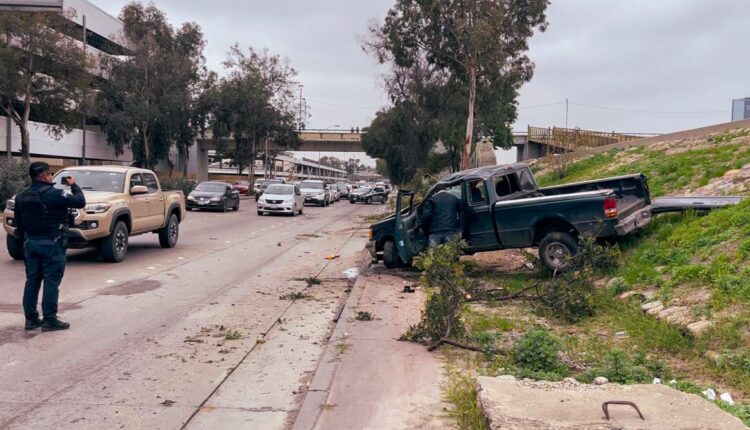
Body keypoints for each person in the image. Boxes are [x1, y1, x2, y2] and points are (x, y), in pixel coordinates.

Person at [14, 162, 85, 331]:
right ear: (45, 176)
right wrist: (73, 185)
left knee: (32, 280)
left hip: (30, 243)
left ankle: (31, 319)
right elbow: (80, 201)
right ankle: (50, 319)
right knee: (51, 281)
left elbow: (18, 223)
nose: (51, 176)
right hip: (52, 243)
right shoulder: (54, 194)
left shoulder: (21, 196)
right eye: (50, 173)